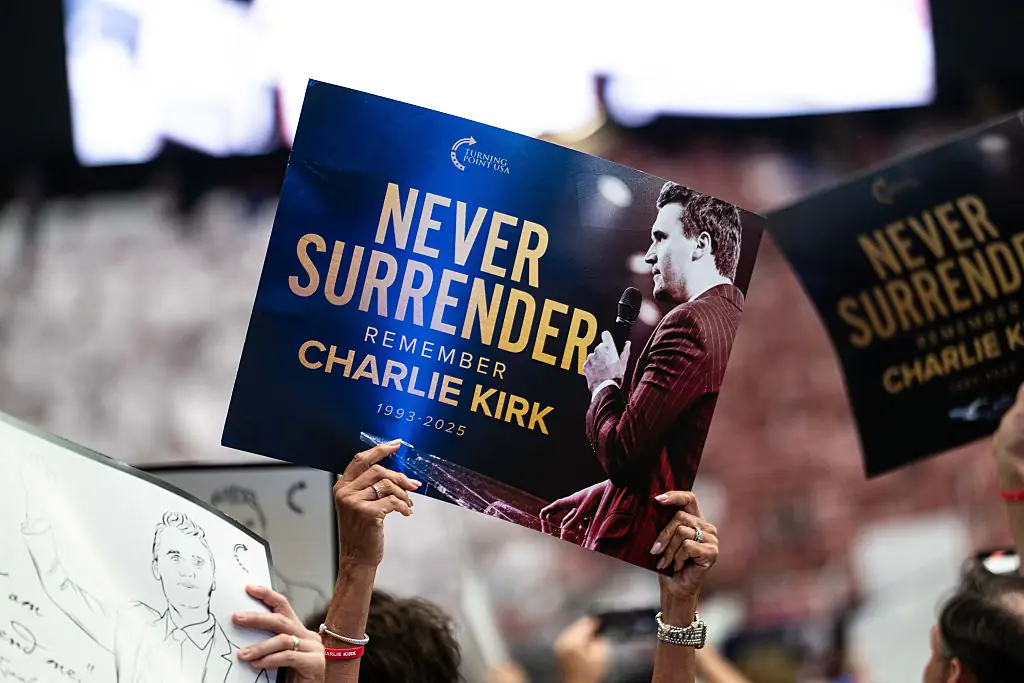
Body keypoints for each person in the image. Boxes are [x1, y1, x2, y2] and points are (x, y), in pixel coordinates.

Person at [541, 180, 745, 570]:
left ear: (701, 244)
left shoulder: (688, 323)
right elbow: (670, 455)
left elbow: (623, 454)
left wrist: (604, 384)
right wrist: (606, 494)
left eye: (661, 238)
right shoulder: (731, 317)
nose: (650, 255)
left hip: (641, 550)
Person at [21, 505, 269, 683]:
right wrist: (37, 520)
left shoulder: (251, 664)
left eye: (198, 562)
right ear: (156, 568)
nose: (187, 571)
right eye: (174, 557)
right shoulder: (132, 625)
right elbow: (61, 587)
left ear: (213, 578)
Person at [211, 483, 329, 613]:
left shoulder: (311, 598)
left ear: (263, 527)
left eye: (249, 524)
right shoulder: (202, 597)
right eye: (230, 525)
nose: (242, 534)